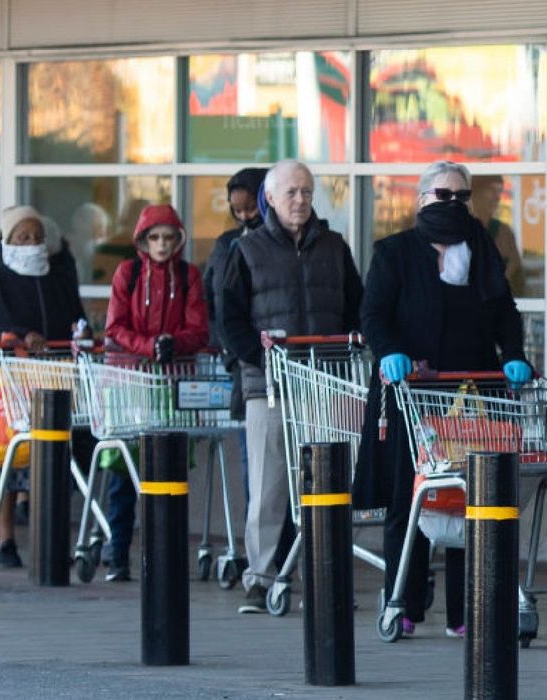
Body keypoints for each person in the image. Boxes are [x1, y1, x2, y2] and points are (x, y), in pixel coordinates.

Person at [353, 160, 531, 638]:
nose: (452, 203)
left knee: (464, 499)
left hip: (470, 394)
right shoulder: (394, 252)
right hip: (410, 393)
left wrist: (513, 354)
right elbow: (373, 315)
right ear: (422, 199)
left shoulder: (481, 250)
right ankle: (404, 603)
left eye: (461, 196)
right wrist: (389, 353)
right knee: (404, 497)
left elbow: (504, 312)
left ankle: (463, 611)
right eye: (442, 194)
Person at [221, 159, 364, 614]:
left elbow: (357, 307)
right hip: (270, 387)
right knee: (267, 487)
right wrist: (257, 356)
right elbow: (229, 319)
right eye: (291, 193)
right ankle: (260, 579)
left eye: (306, 192)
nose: (300, 200)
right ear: (271, 199)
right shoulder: (247, 251)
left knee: (326, 483)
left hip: (325, 383)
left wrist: (355, 344)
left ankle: (322, 575)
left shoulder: (335, 247)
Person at [0, 205, 92, 568]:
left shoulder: (59, 280)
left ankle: (52, 540)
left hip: (55, 378)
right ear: (8, 241)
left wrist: (81, 335)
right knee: (8, 461)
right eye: (24, 238)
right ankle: (4, 539)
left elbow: (77, 319)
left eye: (38, 238)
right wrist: (18, 337)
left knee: (54, 462)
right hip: (9, 381)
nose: (33, 244)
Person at [102, 204, 208, 581]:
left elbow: (199, 327)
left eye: (169, 237)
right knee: (124, 472)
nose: (162, 245)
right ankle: (117, 552)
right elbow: (114, 326)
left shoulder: (188, 275)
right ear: (143, 241)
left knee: (169, 471)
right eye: (155, 237)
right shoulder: (127, 274)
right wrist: (149, 346)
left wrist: (172, 343)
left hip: (173, 381)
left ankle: (165, 554)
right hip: (131, 381)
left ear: (178, 239)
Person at [202, 167, 267, 509]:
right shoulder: (227, 244)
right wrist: (230, 353)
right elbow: (213, 303)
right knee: (251, 458)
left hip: (281, 361)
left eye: (250, 209)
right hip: (244, 366)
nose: (244, 216)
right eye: (237, 210)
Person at [469, 175, 525, 297]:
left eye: (499, 191)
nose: (497, 197)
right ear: (475, 192)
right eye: (491, 190)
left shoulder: (504, 232)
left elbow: (515, 267)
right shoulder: (458, 228)